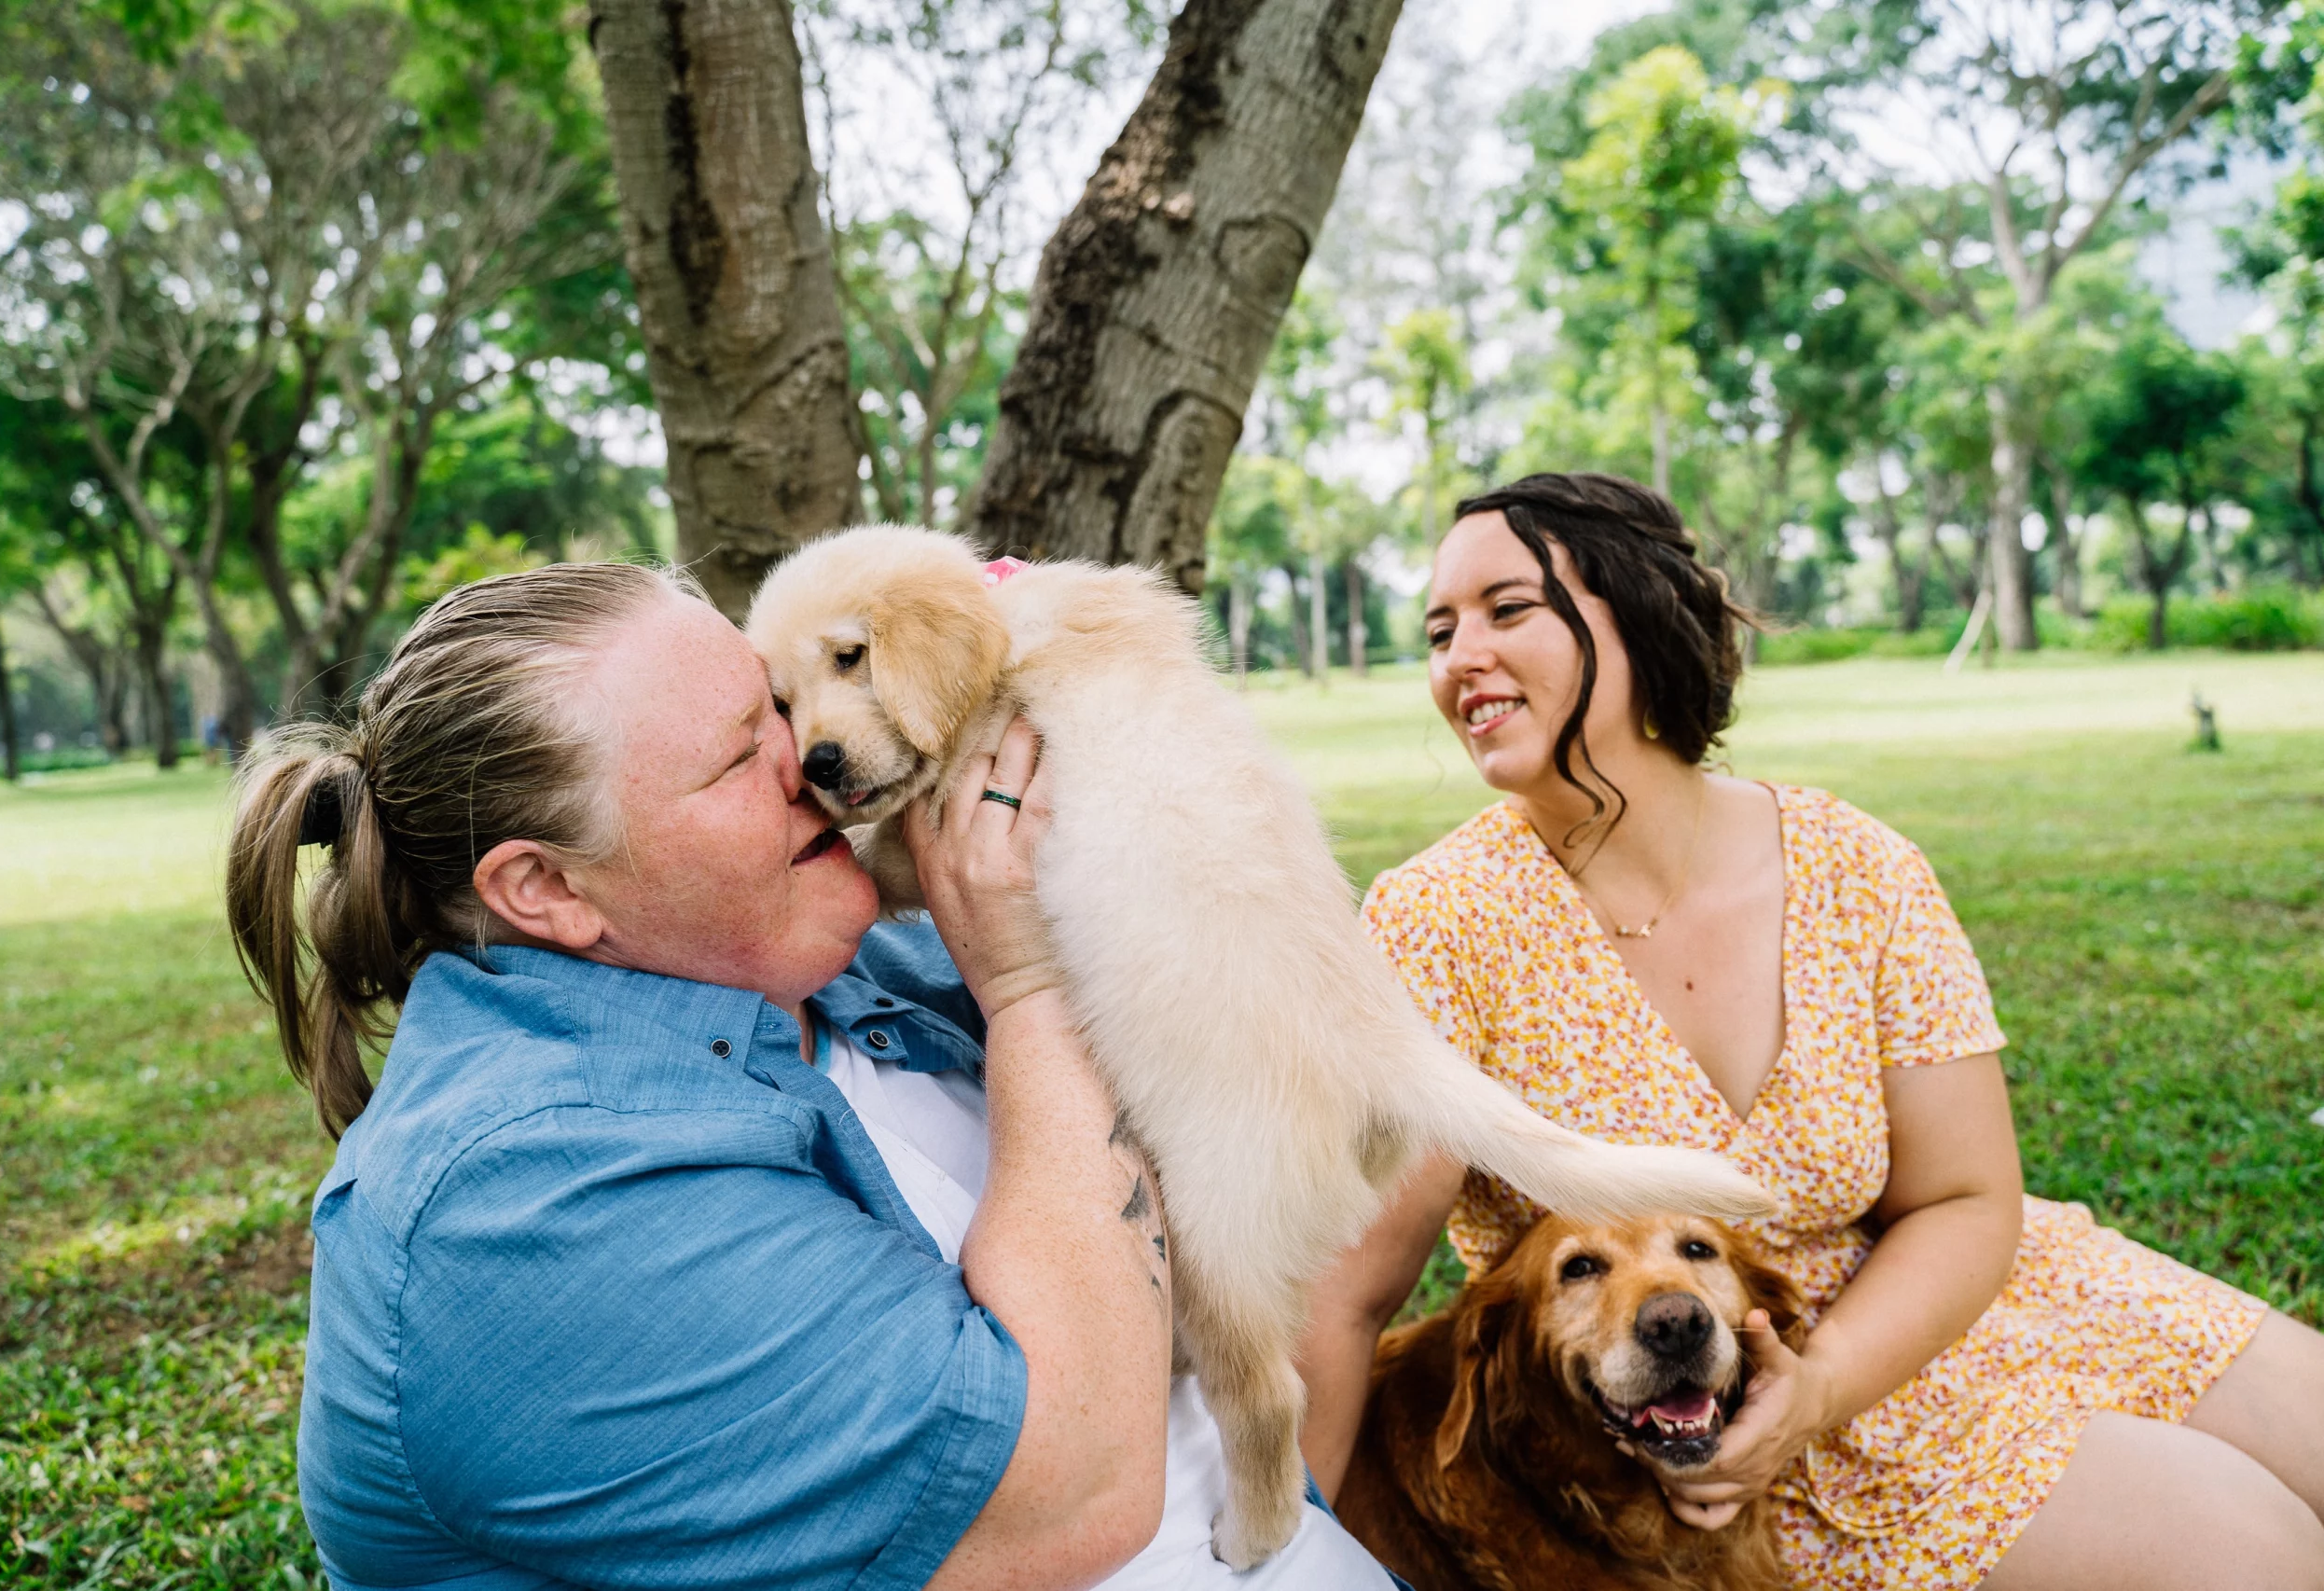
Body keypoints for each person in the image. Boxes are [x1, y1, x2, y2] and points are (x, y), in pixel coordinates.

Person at [227, 560, 1392, 1591]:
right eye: (740, 751)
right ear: (548, 890)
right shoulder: (519, 1205)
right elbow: (1073, 1494)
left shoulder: (844, 958)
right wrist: (1033, 989)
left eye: (776, 699)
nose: (810, 751)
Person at [1295, 474, 2324, 1591]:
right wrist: (1286, 1556)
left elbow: (1967, 1197)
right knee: (2264, 1555)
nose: (1458, 659)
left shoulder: (1856, 864)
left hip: (1962, 1294)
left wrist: (1825, 1378)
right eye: (1439, 630)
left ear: (1638, 611)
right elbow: (1345, 1294)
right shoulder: (1436, 922)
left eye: (1508, 609)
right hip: (1718, 1418)